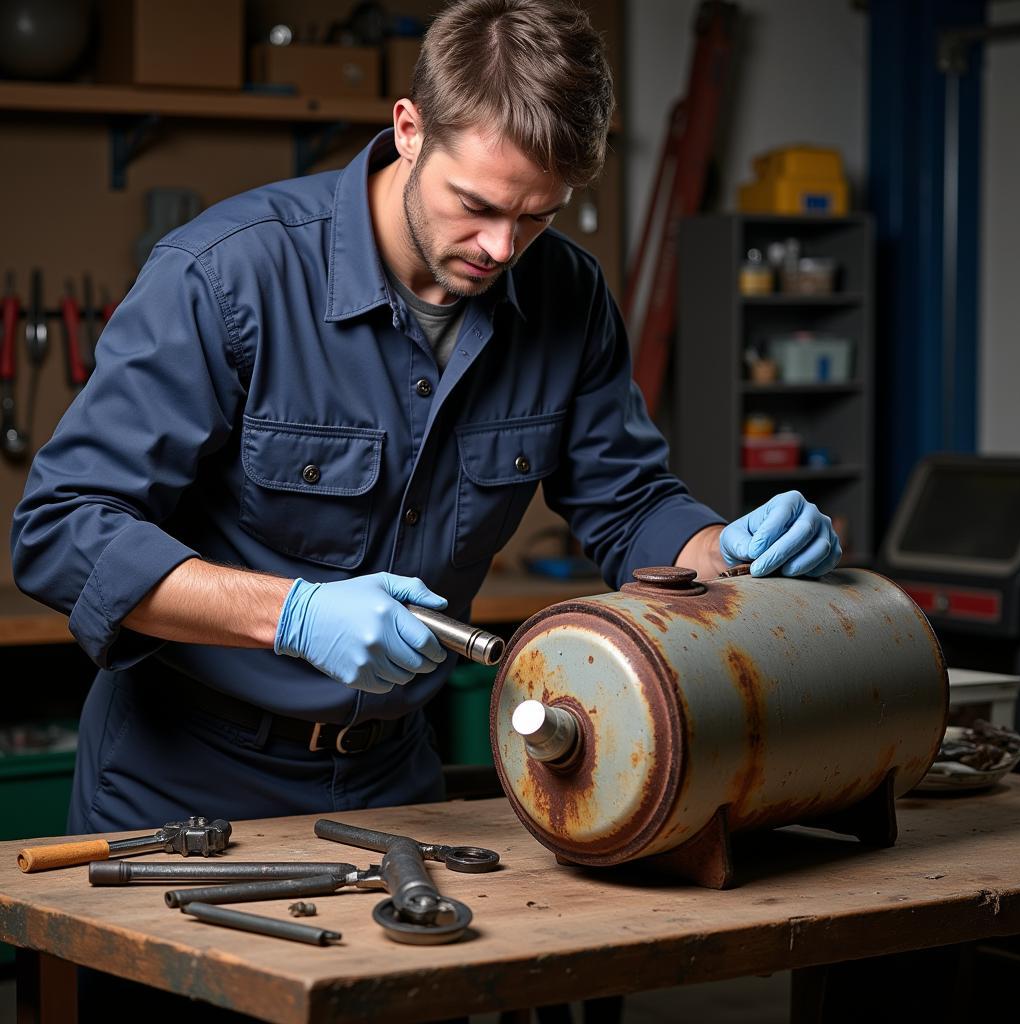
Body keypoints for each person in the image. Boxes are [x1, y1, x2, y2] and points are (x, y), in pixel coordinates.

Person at [11, 0, 840, 839]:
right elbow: (61, 531)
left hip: (393, 782)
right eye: (475, 204)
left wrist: (724, 550)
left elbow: (628, 507)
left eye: (537, 215)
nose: (501, 248)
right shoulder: (226, 278)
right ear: (409, 129)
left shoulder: (568, 296)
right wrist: (294, 613)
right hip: (182, 782)